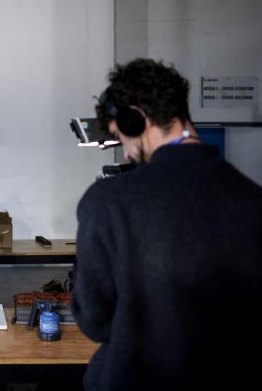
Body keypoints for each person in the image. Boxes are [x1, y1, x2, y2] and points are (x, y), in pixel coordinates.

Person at [71, 58, 262, 390]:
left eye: (121, 138)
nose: (127, 153)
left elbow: (95, 319)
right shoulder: (253, 198)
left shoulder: (108, 202)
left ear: (135, 120)